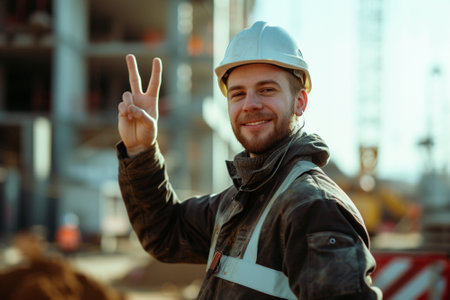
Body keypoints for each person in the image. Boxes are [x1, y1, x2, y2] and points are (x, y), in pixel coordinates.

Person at [116, 21, 382, 299]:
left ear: (300, 102)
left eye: (267, 90)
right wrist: (140, 150)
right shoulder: (240, 201)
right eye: (238, 93)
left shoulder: (314, 208)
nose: (250, 104)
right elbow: (165, 233)